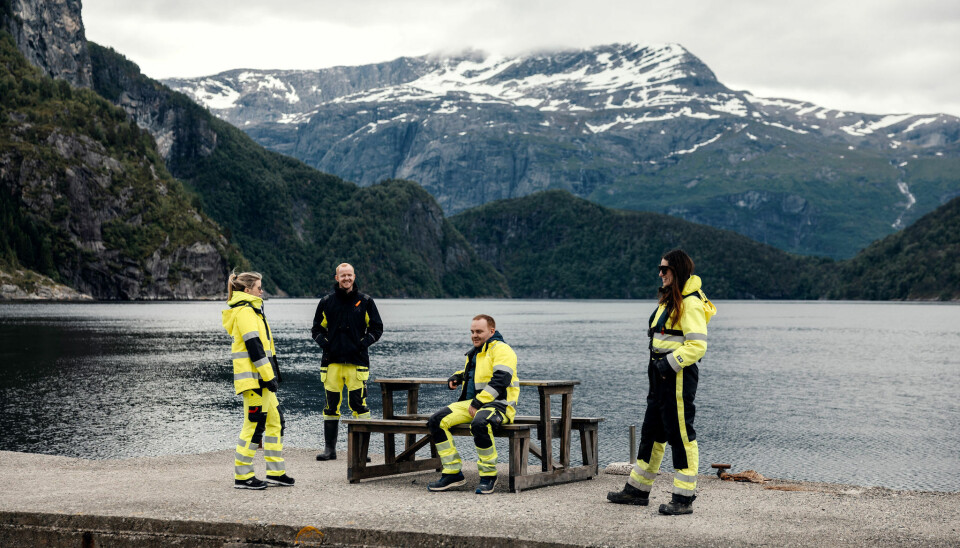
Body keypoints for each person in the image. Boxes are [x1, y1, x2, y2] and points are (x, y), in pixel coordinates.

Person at [607, 249, 716, 515]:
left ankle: (683, 498)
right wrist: (659, 367)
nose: (660, 273)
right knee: (652, 433)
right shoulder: (672, 299)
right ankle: (637, 490)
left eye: (664, 269)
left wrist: (668, 364)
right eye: (660, 268)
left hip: (676, 375)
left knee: (680, 435)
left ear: (676, 271)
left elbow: (697, 346)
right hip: (659, 373)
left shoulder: (689, 303)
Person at [426, 314, 519, 495]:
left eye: (479, 331)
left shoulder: (502, 349)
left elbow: (501, 379)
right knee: (436, 420)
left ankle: (489, 476)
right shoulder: (478, 352)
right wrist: (457, 376)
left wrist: (479, 402)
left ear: (491, 331)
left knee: (480, 423)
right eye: (472, 331)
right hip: (475, 404)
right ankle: (453, 473)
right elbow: (472, 372)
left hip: (500, 405)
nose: (474, 335)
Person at [221, 271, 294, 489]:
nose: (262, 291)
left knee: (275, 422)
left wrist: (271, 377)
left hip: (262, 379)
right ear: (247, 290)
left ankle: (275, 472)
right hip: (254, 381)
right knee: (254, 426)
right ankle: (242, 476)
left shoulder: (254, 311)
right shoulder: (245, 312)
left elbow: (264, 349)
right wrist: (269, 376)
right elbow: (255, 348)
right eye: (259, 287)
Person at [311, 263, 384, 461]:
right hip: (332, 363)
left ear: (354, 276)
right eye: (342, 275)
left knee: (359, 406)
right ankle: (330, 450)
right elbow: (316, 329)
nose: (346, 278)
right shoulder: (326, 302)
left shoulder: (366, 301)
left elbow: (377, 328)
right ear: (336, 278)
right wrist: (326, 344)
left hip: (357, 363)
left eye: (349, 275)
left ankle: (362, 452)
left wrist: (363, 344)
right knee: (330, 406)